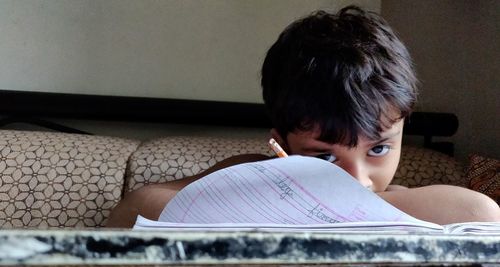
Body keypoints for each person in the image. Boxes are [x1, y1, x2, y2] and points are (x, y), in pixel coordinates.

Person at [106, 5, 500, 229]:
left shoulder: (408, 202)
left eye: (378, 148)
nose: (358, 179)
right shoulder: (249, 175)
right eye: (325, 157)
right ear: (281, 143)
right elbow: (134, 209)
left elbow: (479, 214)